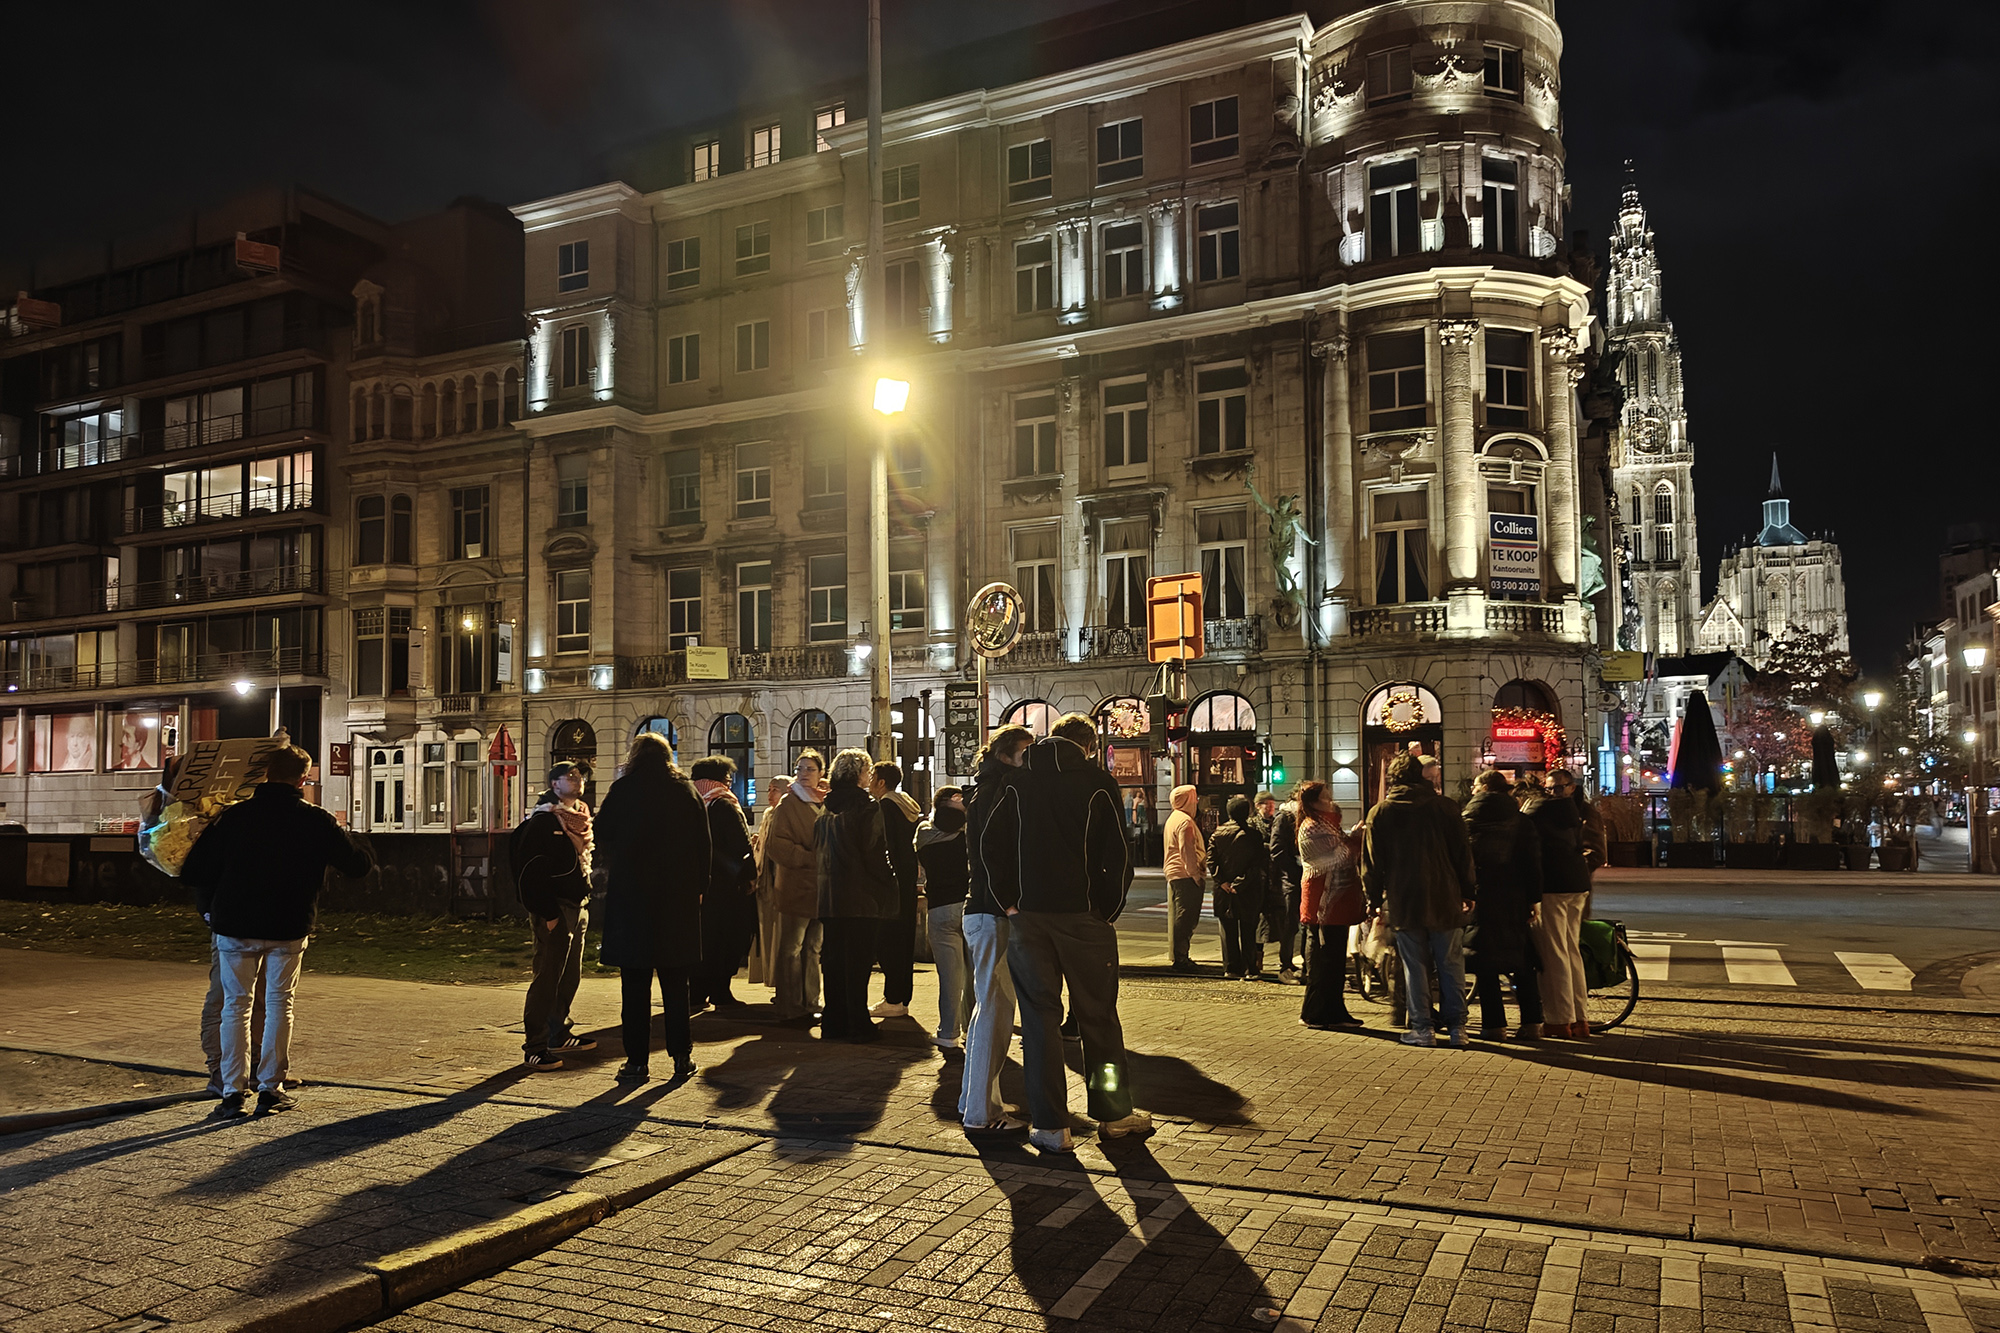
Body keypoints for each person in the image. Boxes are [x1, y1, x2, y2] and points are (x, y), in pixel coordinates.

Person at [985, 712, 1148, 1152]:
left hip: (1028, 918)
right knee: (1098, 1018)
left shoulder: (1018, 782)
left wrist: (1010, 901)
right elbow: (1118, 853)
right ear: (1089, 746)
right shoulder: (1096, 782)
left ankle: (1051, 1125)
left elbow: (991, 845)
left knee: (1039, 1021)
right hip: (1084, 918)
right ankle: (1113, 1113)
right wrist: (1106, 910)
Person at [180, 744, 372, 1116]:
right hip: (288, 924)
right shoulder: (316, 820)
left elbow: (195, 870)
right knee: (280, 1004)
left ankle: (232, 1092)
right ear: (302, 779)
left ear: (266, 773)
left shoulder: (234, 817)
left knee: (235, 1006)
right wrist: (360, 839)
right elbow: (356, 866)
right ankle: (270, 1087)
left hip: (236, 925)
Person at [596, 733, 710, 1082]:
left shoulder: (623, 790)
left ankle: (637, 1061)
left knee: (634, 986)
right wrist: (699, 887)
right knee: (676, 984)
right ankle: (681, 1056)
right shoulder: (686, 791)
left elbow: (602, 832)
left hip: (632, 901)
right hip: (676, 900)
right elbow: (703, 843)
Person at [1361, 751, 1476, 1048]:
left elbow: (1372, 863)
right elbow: (1462, 853)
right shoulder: (1446, 807)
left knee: (1415, 965)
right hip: (1445, 894)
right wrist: (1468, 890)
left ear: (1394, 778)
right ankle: (1457, 1027)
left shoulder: (1381, 812)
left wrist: (1372, 899)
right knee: (1450, 962)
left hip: (1405, 896)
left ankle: (1423, 1027)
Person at [960, 725, 1032, 1132]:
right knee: (995, 1012)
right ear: (1006, 756)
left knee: (989, 1009)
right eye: (1025, 753)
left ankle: (975, 1099)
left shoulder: (991, 787)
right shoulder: (997, 791)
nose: (1029, 761)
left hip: (986, 910)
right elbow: (991, 851)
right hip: (991, 912)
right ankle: (982, 1112)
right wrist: (1008, 902)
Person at [509, 759, 598, 1070]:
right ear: (554, 784)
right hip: (554, 908)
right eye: (569, 775)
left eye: (579, 774)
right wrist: (548, 913)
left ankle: (558, 1033)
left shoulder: (580, 819)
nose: (577, 779)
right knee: (547, 976)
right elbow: (530, 873)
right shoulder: (544, 821)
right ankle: (535, 1045)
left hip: (577, 904)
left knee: (569, 975)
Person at [814, 748, 900, 1042]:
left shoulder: (825, 808)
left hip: (829, 896)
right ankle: (858, 1024)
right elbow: (874, 850)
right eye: (868, 771)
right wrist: (889, 882)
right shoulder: (866, 806)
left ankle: (833, 1022)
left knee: (834, 962)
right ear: (860, 774)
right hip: (861, 897)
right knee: (858, 963)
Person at [1463, 770, 1545, 1041]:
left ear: (1485, 788)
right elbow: (1533, 863)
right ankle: (1533, 1022)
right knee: (1521, 959)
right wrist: (1533, 899)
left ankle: (1494, 1025)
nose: (1472, 790)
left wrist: (1464, 893)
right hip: (1514, 897)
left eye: (1476, 785)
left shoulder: (1466, 821)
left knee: (1484, 961)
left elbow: (1461, 862)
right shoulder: (1521, 821)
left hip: (1481, 897)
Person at [1524, 768, 1593, 1039]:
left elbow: (1527, 841)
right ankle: (1580, 1018)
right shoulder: (1575, 811)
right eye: (1550, 788)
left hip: (1552, 885)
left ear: (1571, 787)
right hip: (1577, 883)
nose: (1553, 792)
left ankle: (1559, 1019)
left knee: (1554, 953)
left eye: (1557, 787)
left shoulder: (1538, 810)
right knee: (1571, 949)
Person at [763, 750, 827, 1027]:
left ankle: (811, 1001)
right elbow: (777, 845)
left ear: (821, 773)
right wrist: (811, 857)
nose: (803, 773)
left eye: (810, 769)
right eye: (800, 768)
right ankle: (790, 1005)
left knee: (813, 947)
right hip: (795, 886)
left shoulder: (824, 801)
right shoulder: (788, 803)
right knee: (791, 947)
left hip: (820, 887)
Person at [690, 756, 757, 1012]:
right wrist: (750, 875)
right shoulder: (723, 803)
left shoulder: (690, 801)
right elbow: (741, 844)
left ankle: (696, 992)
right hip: (726, 885)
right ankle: (720, 989)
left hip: (695, 884)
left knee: (701, 938)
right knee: (727, 937)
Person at [1296, 781, 1365, 1029]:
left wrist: (1350, 837)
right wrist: (1355, 840)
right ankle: (1314, 1013)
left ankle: (1335, 1011)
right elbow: (1338, 858)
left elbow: (1340, 849)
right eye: (1326, 797)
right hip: (1322, 904)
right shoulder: (1312, 827)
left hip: (1336, 902)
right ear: (1314, 803)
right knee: (1323, 961)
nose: (1331, 801)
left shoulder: (1326, 824)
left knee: (1335, 961)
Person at [916, 785, 972, 1051]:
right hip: (969, 905)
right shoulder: (969, 831)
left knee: (950, 976)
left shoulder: (924, 833)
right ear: (955, 799)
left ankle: (948, 1032)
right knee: (974, 975)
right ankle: (974, 1029)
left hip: (940, 908)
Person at [869, 761, 923, 1019]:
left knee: (888, 940)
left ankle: (893, 998)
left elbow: (884, 846)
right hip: (907, 879)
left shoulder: (885, 807)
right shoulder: (907, 806)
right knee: (904, 940)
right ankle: (901, 997)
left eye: (872, 776)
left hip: (891, 883)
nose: (869, 781)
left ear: (881, 782)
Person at [1205, 795, 1269, 980]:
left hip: (1224, 891)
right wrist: (1240, 882)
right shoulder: (1254, 835)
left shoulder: (1217, 834)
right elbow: (1257, 863)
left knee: (1228, 930)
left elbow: (1211, 861)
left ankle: (1231, 967)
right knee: (1249, 929)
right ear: (1247, 812)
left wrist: (1223, 881)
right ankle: (1250, 968)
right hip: (1248, 889)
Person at [1162, 783, 1205, 972]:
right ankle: (1181, 957)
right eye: (1194, 799)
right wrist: (1195, 874)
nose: (1196, 802)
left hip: (1175, 872)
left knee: (1182, 916)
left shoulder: (1173, 818)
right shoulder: (1185, 822)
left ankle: (1180, 955)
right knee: (1186, 917)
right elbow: (1187, 849)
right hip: (1185, 874)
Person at [1267, 787, 1304, 981]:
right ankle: (1285, 963)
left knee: (1305, 923)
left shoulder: (1306, 816)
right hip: (1291, 878)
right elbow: (1277, 851)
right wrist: (1294, 868)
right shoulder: (1285, 817)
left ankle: (1303, 962)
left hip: (1303, 876)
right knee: (1290, 923)